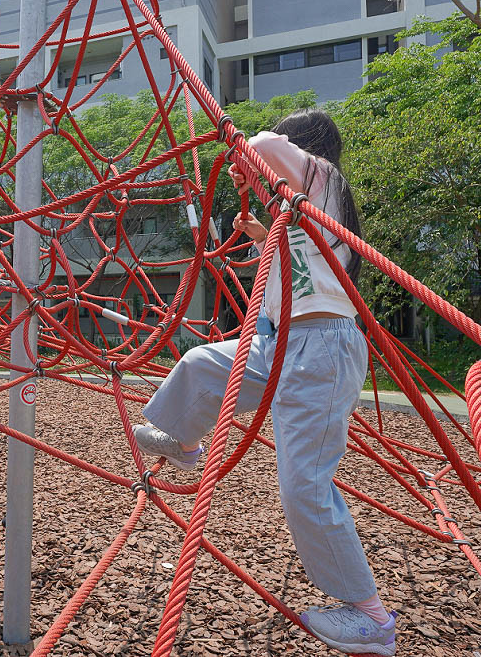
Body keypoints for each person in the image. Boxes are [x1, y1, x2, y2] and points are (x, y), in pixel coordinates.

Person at [134, 109, 397, 656]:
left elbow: (261, 145)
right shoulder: (298, 215)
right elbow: (287, 275)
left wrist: (245, 153)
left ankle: (370, 617)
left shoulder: (324, 177)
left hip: (322, 346)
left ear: (305, 145)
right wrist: (259, 234)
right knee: (204, 362)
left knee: (304, 485)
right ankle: (186, 444)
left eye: (285, 139)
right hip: (279, 342)